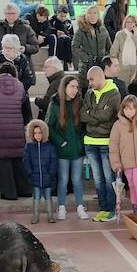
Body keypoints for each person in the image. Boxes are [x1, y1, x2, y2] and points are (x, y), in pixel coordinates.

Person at [0, 63, 33, 201]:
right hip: (16, 127)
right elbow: (23, 103)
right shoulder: (19, 85)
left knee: (4, 162)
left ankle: (10, 193)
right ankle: (25, 189)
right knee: (17, 160)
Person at [47, 75, 89, 222]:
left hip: (77, 150)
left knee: (77, 180)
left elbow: (84, 126)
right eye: (72, 86)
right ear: (64, 87)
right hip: (62, 151)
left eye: (76, 87)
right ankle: (62, 207)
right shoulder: (55, 104)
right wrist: (60, 142)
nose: (74, 90)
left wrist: (81, 143)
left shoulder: (80, 103)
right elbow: (49, 127)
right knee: (63, 180)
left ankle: (80, 207)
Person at [82, 66, 121, 222]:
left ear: (100, 77)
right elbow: (82, 115)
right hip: (90, 142)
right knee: (97, 179)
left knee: (108, 178)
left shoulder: (114, 93)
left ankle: (111, 210)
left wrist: (92, 113)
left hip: (106, 142)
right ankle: (103, 209)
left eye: (91, 79)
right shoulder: (89, 93)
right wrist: (96, 114)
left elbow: (108, 115)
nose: (89, 83)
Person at [23, 119, 59, 224]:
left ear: (44, 133)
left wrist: (51, 173)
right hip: (35, 177)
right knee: (36, 196)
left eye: (39, 133)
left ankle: (50, 216)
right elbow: (26, 161)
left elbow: (54, 161)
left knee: (48, 196)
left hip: (47, 177)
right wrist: (30, 173)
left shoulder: (50, 147)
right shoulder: (29, 147)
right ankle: (35, 216)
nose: (37, 135)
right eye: (35, 133)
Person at [109, 14, 137, 84]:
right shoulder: (120, 34)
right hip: (122, 70)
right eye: (128, 22)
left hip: (136, 71)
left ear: (136, 24)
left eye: (132, 22)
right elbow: (113, 52)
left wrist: (135, 36)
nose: (130, 24)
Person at [74, 5, 111, 77]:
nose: (92, 16)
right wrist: (86, 58)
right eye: (90, 13)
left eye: (95, 13)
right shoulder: (81, 30)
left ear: (98, 15)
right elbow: (75, 47)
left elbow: (109, 47)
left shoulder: (103, 30)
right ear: (86, 15)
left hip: (101, 66)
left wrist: (107, 60)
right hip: (86, 67)